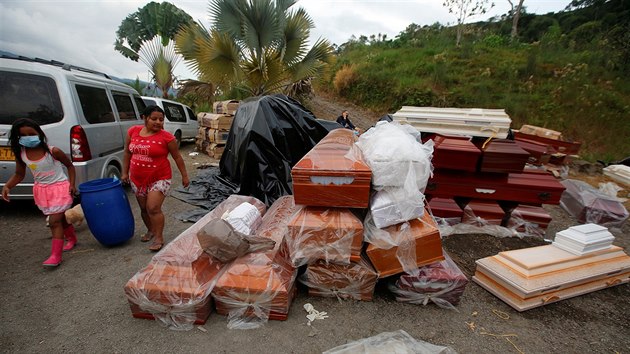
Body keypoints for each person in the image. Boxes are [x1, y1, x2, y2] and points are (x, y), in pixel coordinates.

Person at [2, 118, 77, 267]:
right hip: (43, 191)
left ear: (39, 133)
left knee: (54, 222)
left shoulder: (52, 151)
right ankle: (72, 238)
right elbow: (19, 174)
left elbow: (69, 166)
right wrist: (7, 186)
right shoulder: (22, 154)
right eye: (23, 135)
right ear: (18, 138)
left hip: (60, 189)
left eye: (31, 133)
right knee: (60, 219)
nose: (28, 137)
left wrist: (72, 184)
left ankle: (56, 255)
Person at [122, 105, 190, 252]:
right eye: (154, 119)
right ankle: (151, 230)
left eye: (161, 119)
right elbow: (127, 153)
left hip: (160, 177)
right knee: (143, 208)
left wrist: (185, 176)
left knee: (152, 207)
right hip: (137, 178)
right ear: (144, 118)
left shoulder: (167, 137)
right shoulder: (133, 131)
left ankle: (159, 237)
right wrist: (124, 173)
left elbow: (177, 157)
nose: (158, 122)